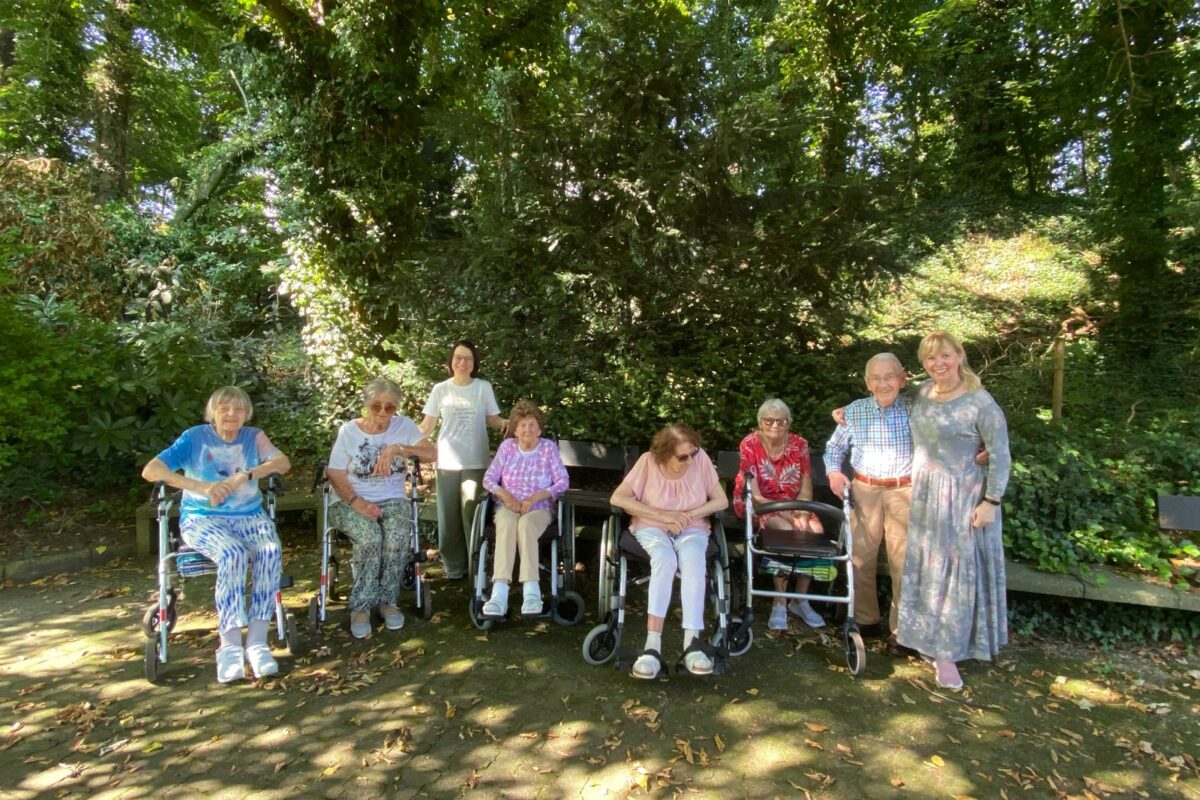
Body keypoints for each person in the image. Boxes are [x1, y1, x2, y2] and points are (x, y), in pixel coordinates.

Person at [141, 386, 291, 684]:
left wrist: (245, 475)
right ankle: (230, 646)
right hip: (202, 518)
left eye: (238, 409)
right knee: (233, 553)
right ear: (213, 413)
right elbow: (151, 470)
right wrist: (200, 487)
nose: (231, 414)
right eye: (224, 408)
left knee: (270, 550)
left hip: (249, 515)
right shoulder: (195, 437)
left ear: (246, 413)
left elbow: (282, 463)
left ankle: (258, 642)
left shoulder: (253, 436)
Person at [896, 331, 1011, 691]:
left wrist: (991, 502)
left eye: (945, 356)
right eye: (930, 359)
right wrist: (847, 413)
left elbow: (1001, 454)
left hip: (963, 497)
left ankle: (948, 653)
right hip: (926, 496)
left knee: (954, 574)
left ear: (959, 355)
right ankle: (926, 640)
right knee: (929, 570)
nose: (938, 364)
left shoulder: (980, 402)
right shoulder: (924, 393)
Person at [610, 424, 729, 678]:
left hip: (692, 527)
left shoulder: (701, 459)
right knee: (664, 559)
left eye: (693, 454)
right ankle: (652, 646)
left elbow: (721, 500)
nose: (690, 460)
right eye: (683, 457)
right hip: (652, 526)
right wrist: (662, 515)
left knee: (694, 560)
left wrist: (689, 515)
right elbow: (618, 498)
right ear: (665, 455)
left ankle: (692, 645)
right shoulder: (647, 462)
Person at [326, 378, 436, 638]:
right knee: (370, 536)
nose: (384, 412)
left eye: (390, 407)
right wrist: (358, 503)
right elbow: (335, 473)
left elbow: (433, 453)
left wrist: (399, 449)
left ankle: (387, 600)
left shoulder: (404, 426)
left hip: (392, 498)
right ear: (366, 404)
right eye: (377, 406)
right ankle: (361, 606)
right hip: (348, 500)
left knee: (398, 536)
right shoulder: (349, 431)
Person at [823, 354, 914, 653]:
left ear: (902, 379)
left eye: (890, 376)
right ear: (867, 382)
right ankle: (865, 620)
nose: (883, 383)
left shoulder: (917, 410)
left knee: (905, 563)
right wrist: (834, 472)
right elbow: (834, 448)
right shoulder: (854, 411)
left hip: (905, 490)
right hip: (864, 489)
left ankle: (902, 632)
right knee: (860, 558)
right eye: (876, 377)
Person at [732, 399, 828, 632]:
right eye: (769, 420)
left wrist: (803, 513)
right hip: (759, 503)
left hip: (794, 503)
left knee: (814, 531)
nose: (775, 425)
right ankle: (779, 601)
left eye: (781, 420)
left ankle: (800, 600)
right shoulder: (749, 444)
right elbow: (754, 495)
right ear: (760, 422)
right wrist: (786, 513)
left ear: (788, 423)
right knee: (784, 532)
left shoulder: (799, 445)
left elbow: (806, 485)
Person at [420, 341, 507, 580]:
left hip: (475, 461)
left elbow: (493, 419)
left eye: (468, 358)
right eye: (458, 357)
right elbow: (426, 426)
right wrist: (403, 443)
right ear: (451, 361)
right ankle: (454, 569)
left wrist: (511, 426)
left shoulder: (482, 387)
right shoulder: (441, 389)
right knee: (448, 519)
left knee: (472, 514)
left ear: (474, 363)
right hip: (446, 462)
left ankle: (476, 568)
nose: (462, 363)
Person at [480, 400, 569, 617]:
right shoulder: (507, 448)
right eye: (522, 425)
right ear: (515, 429)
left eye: (532, 425)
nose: (527, 429)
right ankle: (499, 592)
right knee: (508, 524)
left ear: (539, 428)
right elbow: (489, 479)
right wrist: (506, 496)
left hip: (538, 508)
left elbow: (563, 481)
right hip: (508, 506)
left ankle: (531, 591)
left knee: (526, 525)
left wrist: (540, 494)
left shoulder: (548, 448)